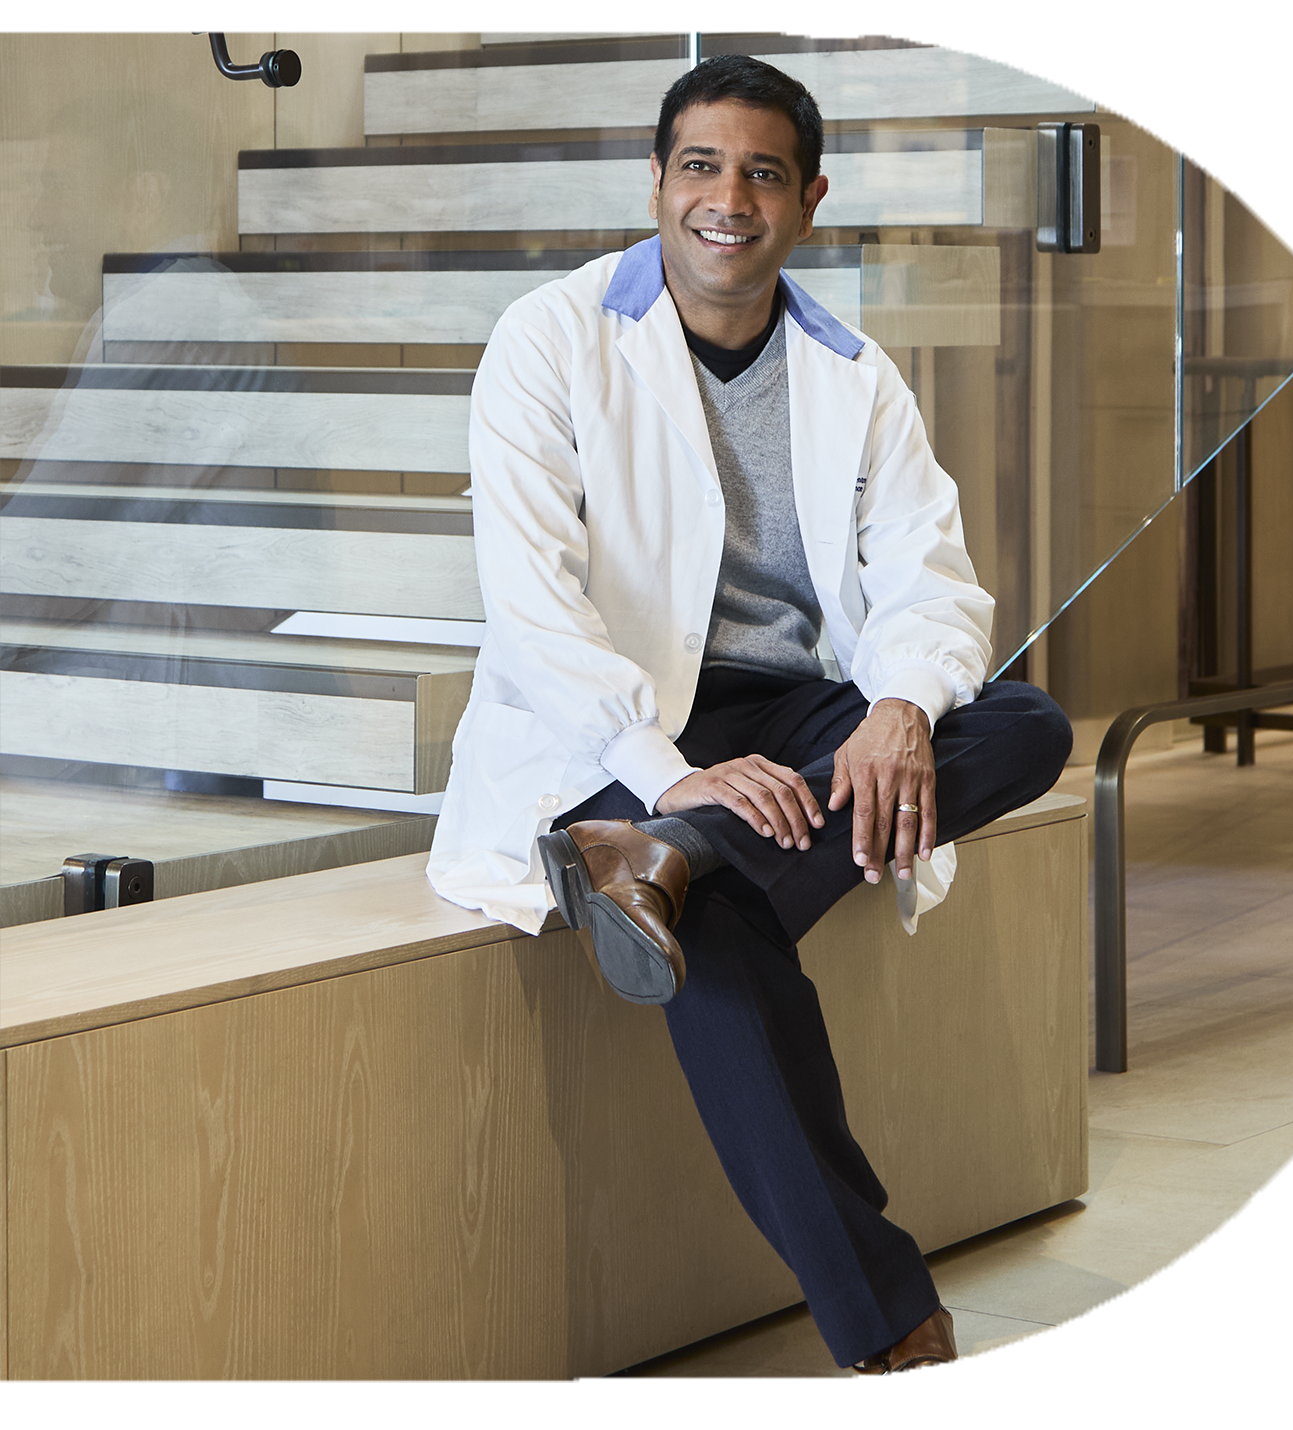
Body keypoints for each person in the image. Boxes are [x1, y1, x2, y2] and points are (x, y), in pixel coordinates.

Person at [428, 54, 1072, 1382]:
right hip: (612, 724)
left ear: (810, 198)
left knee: (1022, 727)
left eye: (763, 172)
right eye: (702, 167)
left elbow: (929, 577)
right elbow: (536, 613)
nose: (730, 197)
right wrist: (671, 780)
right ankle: (894, 1331)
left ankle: (669, 867)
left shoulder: (852, 371)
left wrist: (899, 706)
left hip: (792, 709)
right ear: (658, 182)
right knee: (714, 939)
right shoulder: (548, 340)